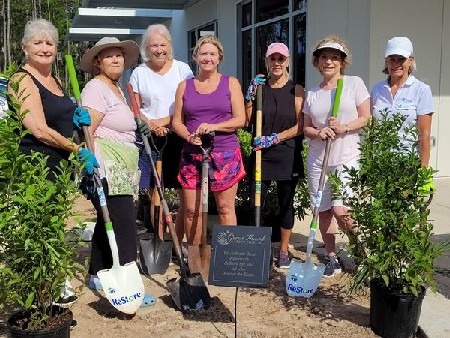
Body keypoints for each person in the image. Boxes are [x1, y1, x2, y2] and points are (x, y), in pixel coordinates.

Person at [9, 18, 97, 306]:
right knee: (39, 226)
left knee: (55, 224)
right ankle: (39, 292)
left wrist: (74, 121)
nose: (45, 48)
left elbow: (57, 118)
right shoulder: (22, 79)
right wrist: (76, 148)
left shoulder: (55, 79)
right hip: (36, 165)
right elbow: (37, 128)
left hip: (57, 164)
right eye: (38, 42)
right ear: (24, 48)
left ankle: (54, 283)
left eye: (50, 43)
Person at [79, 37, 154, 306]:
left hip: (123, 164)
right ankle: (129, 280)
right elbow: (88, 131)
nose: (115, 60)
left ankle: (96, 272)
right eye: (109, 56)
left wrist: (138, 125)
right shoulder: (96, 88)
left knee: (106, 219)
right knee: (123, 223)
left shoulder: (116, 88)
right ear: (98, 62)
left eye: (119, 56)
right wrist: (91, 166)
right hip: (107, 165)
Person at [303, 35, 371, 277]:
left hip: (346, 158)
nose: (329, 61)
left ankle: (361, 252)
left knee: (342, 211)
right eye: (324, 57)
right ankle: (332, 256)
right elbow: (306, 128)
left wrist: (344, 127)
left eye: (334, 57)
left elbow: (365, 117)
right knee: (322, 211)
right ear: (317, 62)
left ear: (342, 62)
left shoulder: (353, 84)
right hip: (318, 160)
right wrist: (319, 132)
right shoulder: (313, 93)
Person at [172, 35, 246, 246]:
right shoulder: (184, 86)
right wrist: (188, 135)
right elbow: (177, 121)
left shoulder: (231, 83)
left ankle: (227, 257)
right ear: (195, 57)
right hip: (191, 154)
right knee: (191, 211)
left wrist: (213, 127)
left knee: (224, 208)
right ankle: (196, 259)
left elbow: (241, 119)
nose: (208, 58)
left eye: (212, 54)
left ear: (219, 58)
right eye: (203, 53)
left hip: (225, 153)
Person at [129, 23, 193, 244]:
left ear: (169, 46)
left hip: (176, 134)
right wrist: (151, 124)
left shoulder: (182, 70)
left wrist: (164, 123)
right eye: (154, 45)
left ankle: (180, 238)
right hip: (148, 136)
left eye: (162, 45)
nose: (158, 50)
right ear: (147, 47)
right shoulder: (139, 72)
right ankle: (157, 236)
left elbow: (185, 105)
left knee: (182, 188)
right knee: (154, 190)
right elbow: (135, 108)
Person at [244, 42, 305, 268]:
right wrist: (250, 96)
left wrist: (276, 138)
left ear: (287, 61)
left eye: (281, 59)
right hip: (261, 155)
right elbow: (248, 120)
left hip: (286, 155)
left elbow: (301, 125)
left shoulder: (296, 90)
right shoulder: (260, 88)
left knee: (285, 204)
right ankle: (258, 249)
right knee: (255, 203)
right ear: (267, 61)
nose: (277, 63)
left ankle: (283, 250)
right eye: (273, 59)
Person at [371, 36, 435, 192]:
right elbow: (371, 129)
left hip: (408, 165)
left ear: (410, 61)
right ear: (386, 61)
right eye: (392, 59)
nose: (396, 64)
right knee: (382, 213)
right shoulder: (377, 90)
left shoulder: (421, 90)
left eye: (401, 59)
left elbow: (424, 134)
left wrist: (424, 171)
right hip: (382, 163)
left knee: (404, 214)